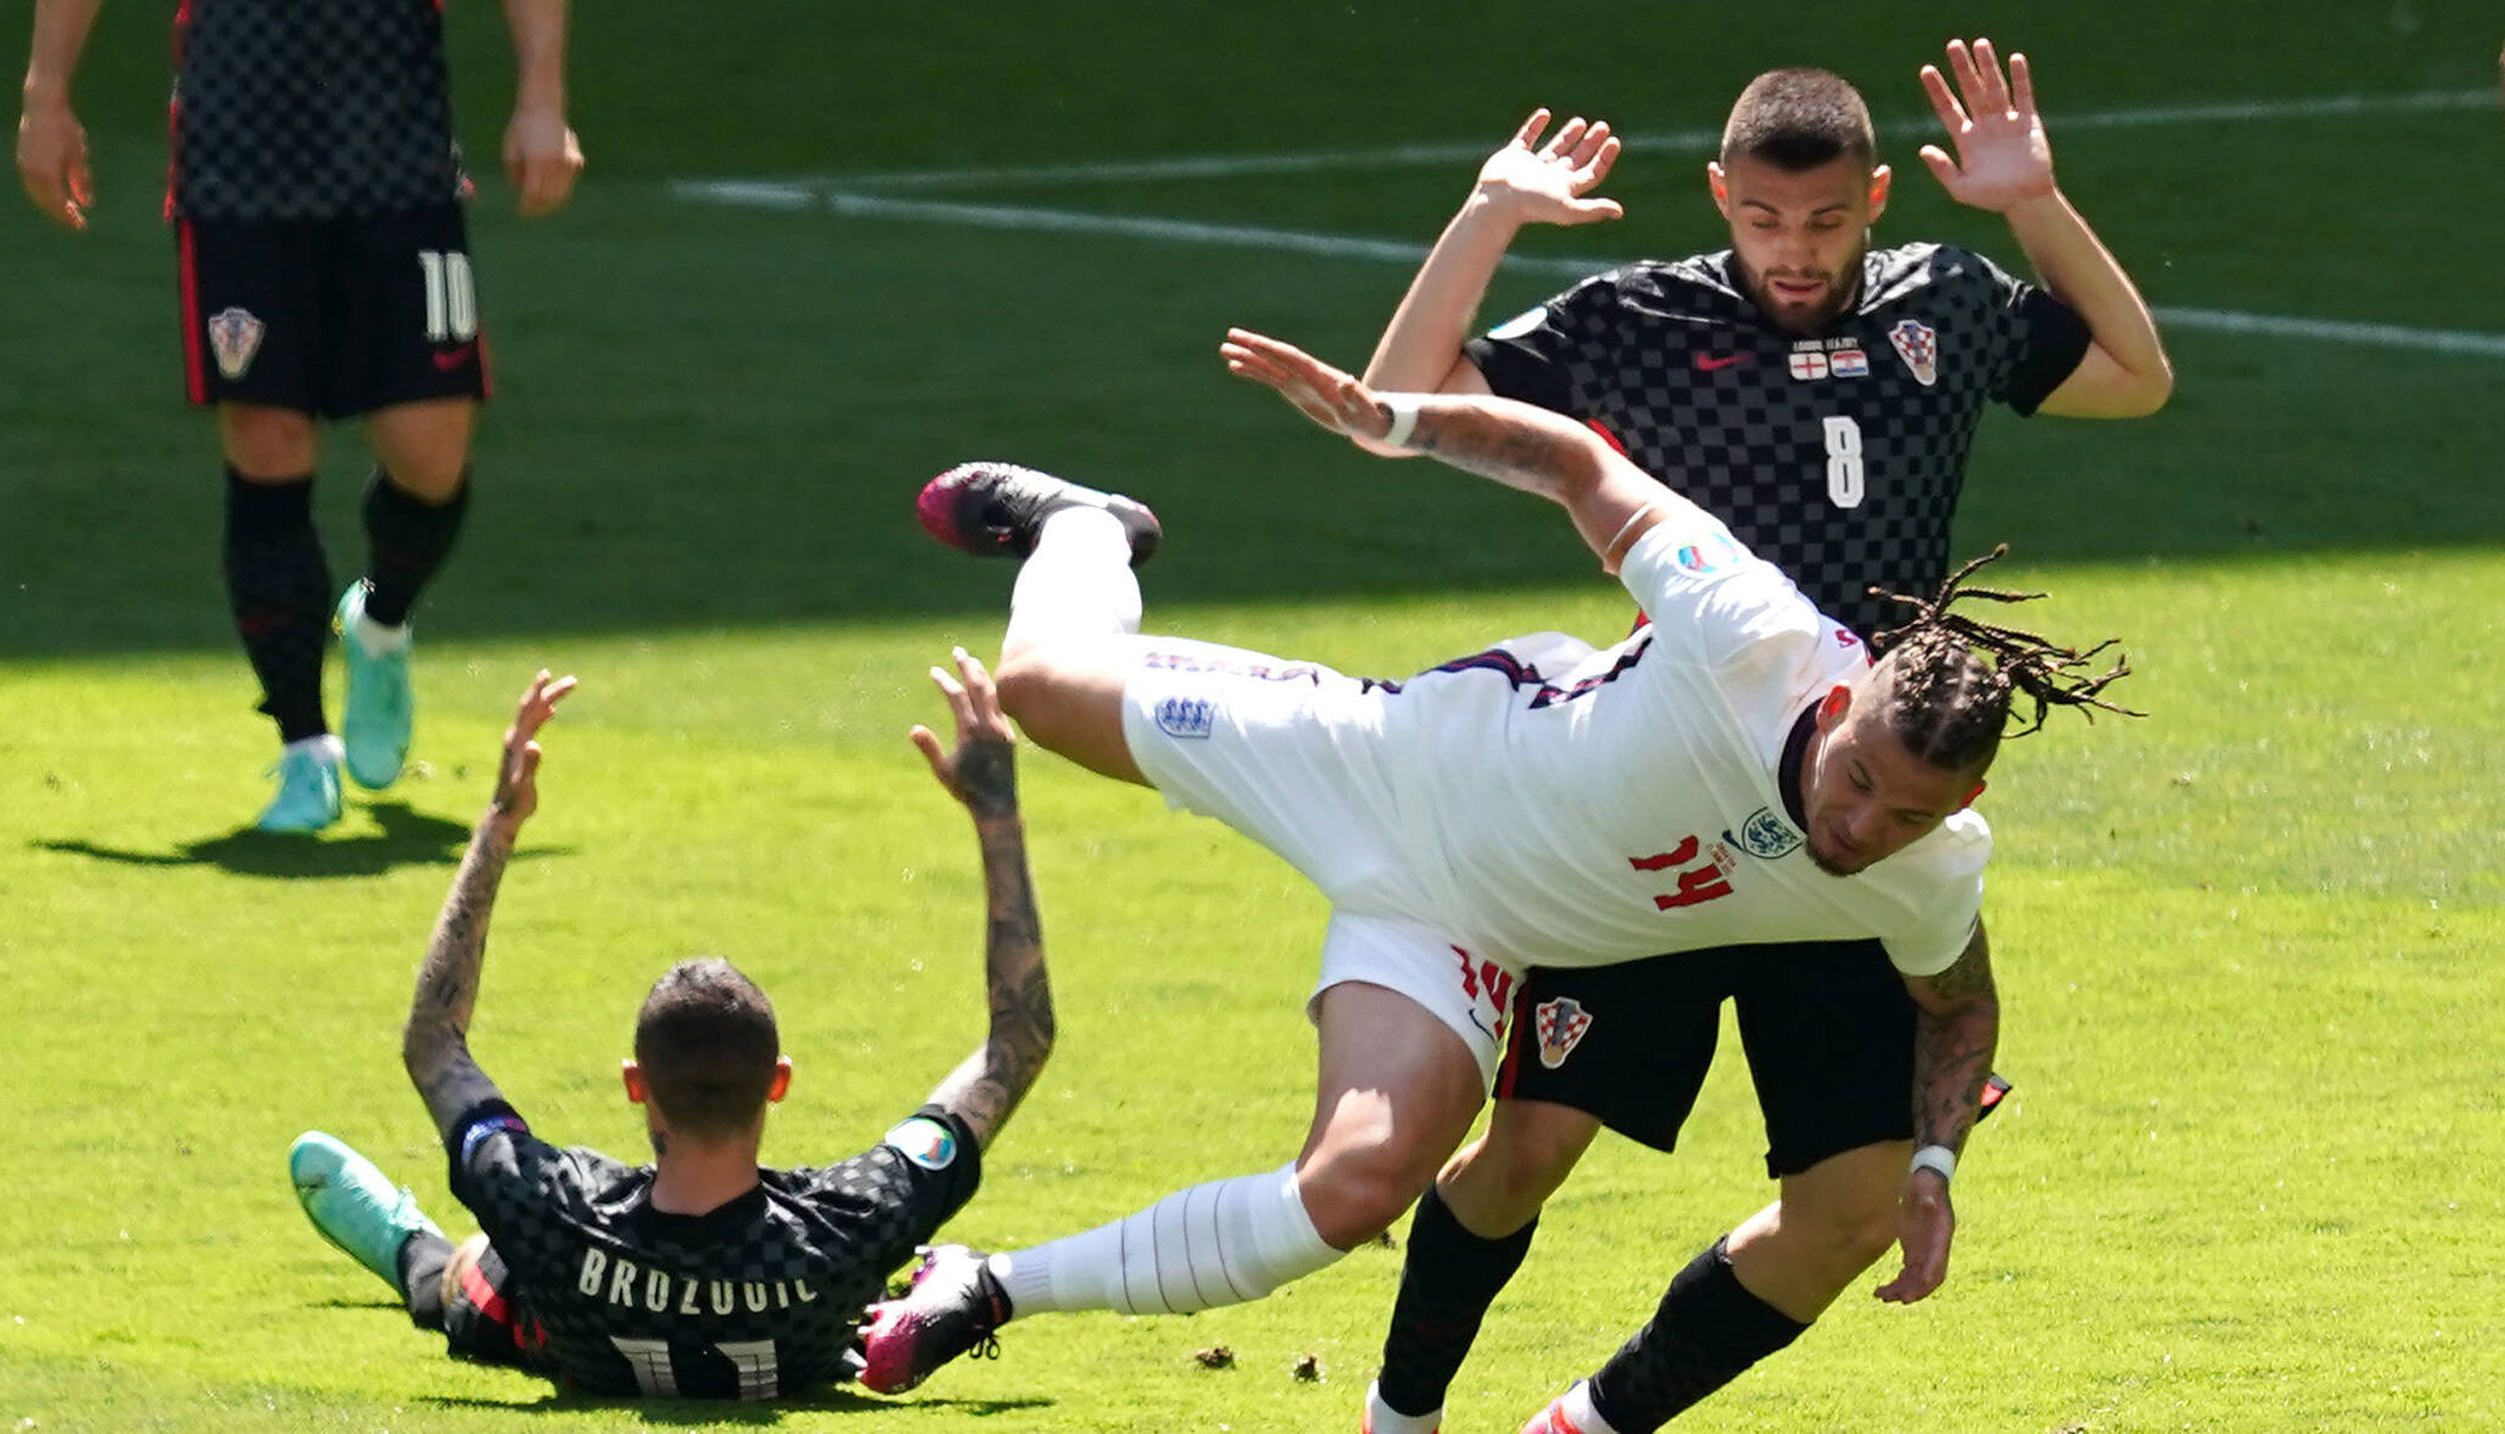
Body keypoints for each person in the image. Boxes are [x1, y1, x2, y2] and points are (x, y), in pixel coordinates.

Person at [854, 328, 2133, 1398]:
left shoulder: (1930, 867)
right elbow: (1577, 462)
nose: (1861, 830)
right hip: (1383, 765)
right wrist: (1397, 420)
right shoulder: (1754, 630)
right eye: (1858, 783)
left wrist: (1933, 1167)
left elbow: (1960, 1003)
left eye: (1906, 817)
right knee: (1036, 686)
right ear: (1846, 697)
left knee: (1349, 1191)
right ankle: (1086, 528)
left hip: (1461, 939)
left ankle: (989, 1283)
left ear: (1960, 803)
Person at [1353, 43, 2173, 1434]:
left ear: (1872, 196)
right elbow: (1396, 404)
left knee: (1852, 1208)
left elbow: (2131, 375)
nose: (1793, 253)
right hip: (1667, 787)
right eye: (1761, 220)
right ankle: (1400, 1416)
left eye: (1827, 219)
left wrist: (2030, 200)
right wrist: (1489, 210)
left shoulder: (1944, 304)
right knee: (1531, 1145)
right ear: (1720, 194)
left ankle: (1583, 1425)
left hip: (1852, 810)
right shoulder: (1636, 319)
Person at [284, 657, 1057, 1398]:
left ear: (635, 1085)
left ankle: (408, 1250)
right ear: (778, 1082)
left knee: (483, 1278)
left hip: (556, 1321)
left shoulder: (556, 1211)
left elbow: (434, 1044)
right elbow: (1015, 1047)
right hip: (800, 1323)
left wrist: (497, 824)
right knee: (873, 1283)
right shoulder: (849, 1224)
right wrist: (997, 812)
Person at [15, 0, 585, 831]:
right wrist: (46, 94)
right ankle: (302, 747)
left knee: (429, 457)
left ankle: (381, 619)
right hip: (237, 159)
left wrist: (542, 96)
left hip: (400, 157)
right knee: (265, 437)